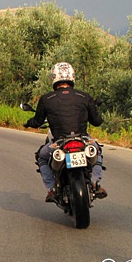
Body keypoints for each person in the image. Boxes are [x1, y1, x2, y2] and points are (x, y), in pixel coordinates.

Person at [24, 62, 107, 202]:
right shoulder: (84, 97)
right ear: (72, 76)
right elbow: (97, 122)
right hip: (83, 140)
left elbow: (37, 121)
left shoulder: (46, 99)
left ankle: (52, 189)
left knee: (42, 157)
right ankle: (95, 182)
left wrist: (27, 123)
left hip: (59, 142)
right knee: (96, 150)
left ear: (54, 77)